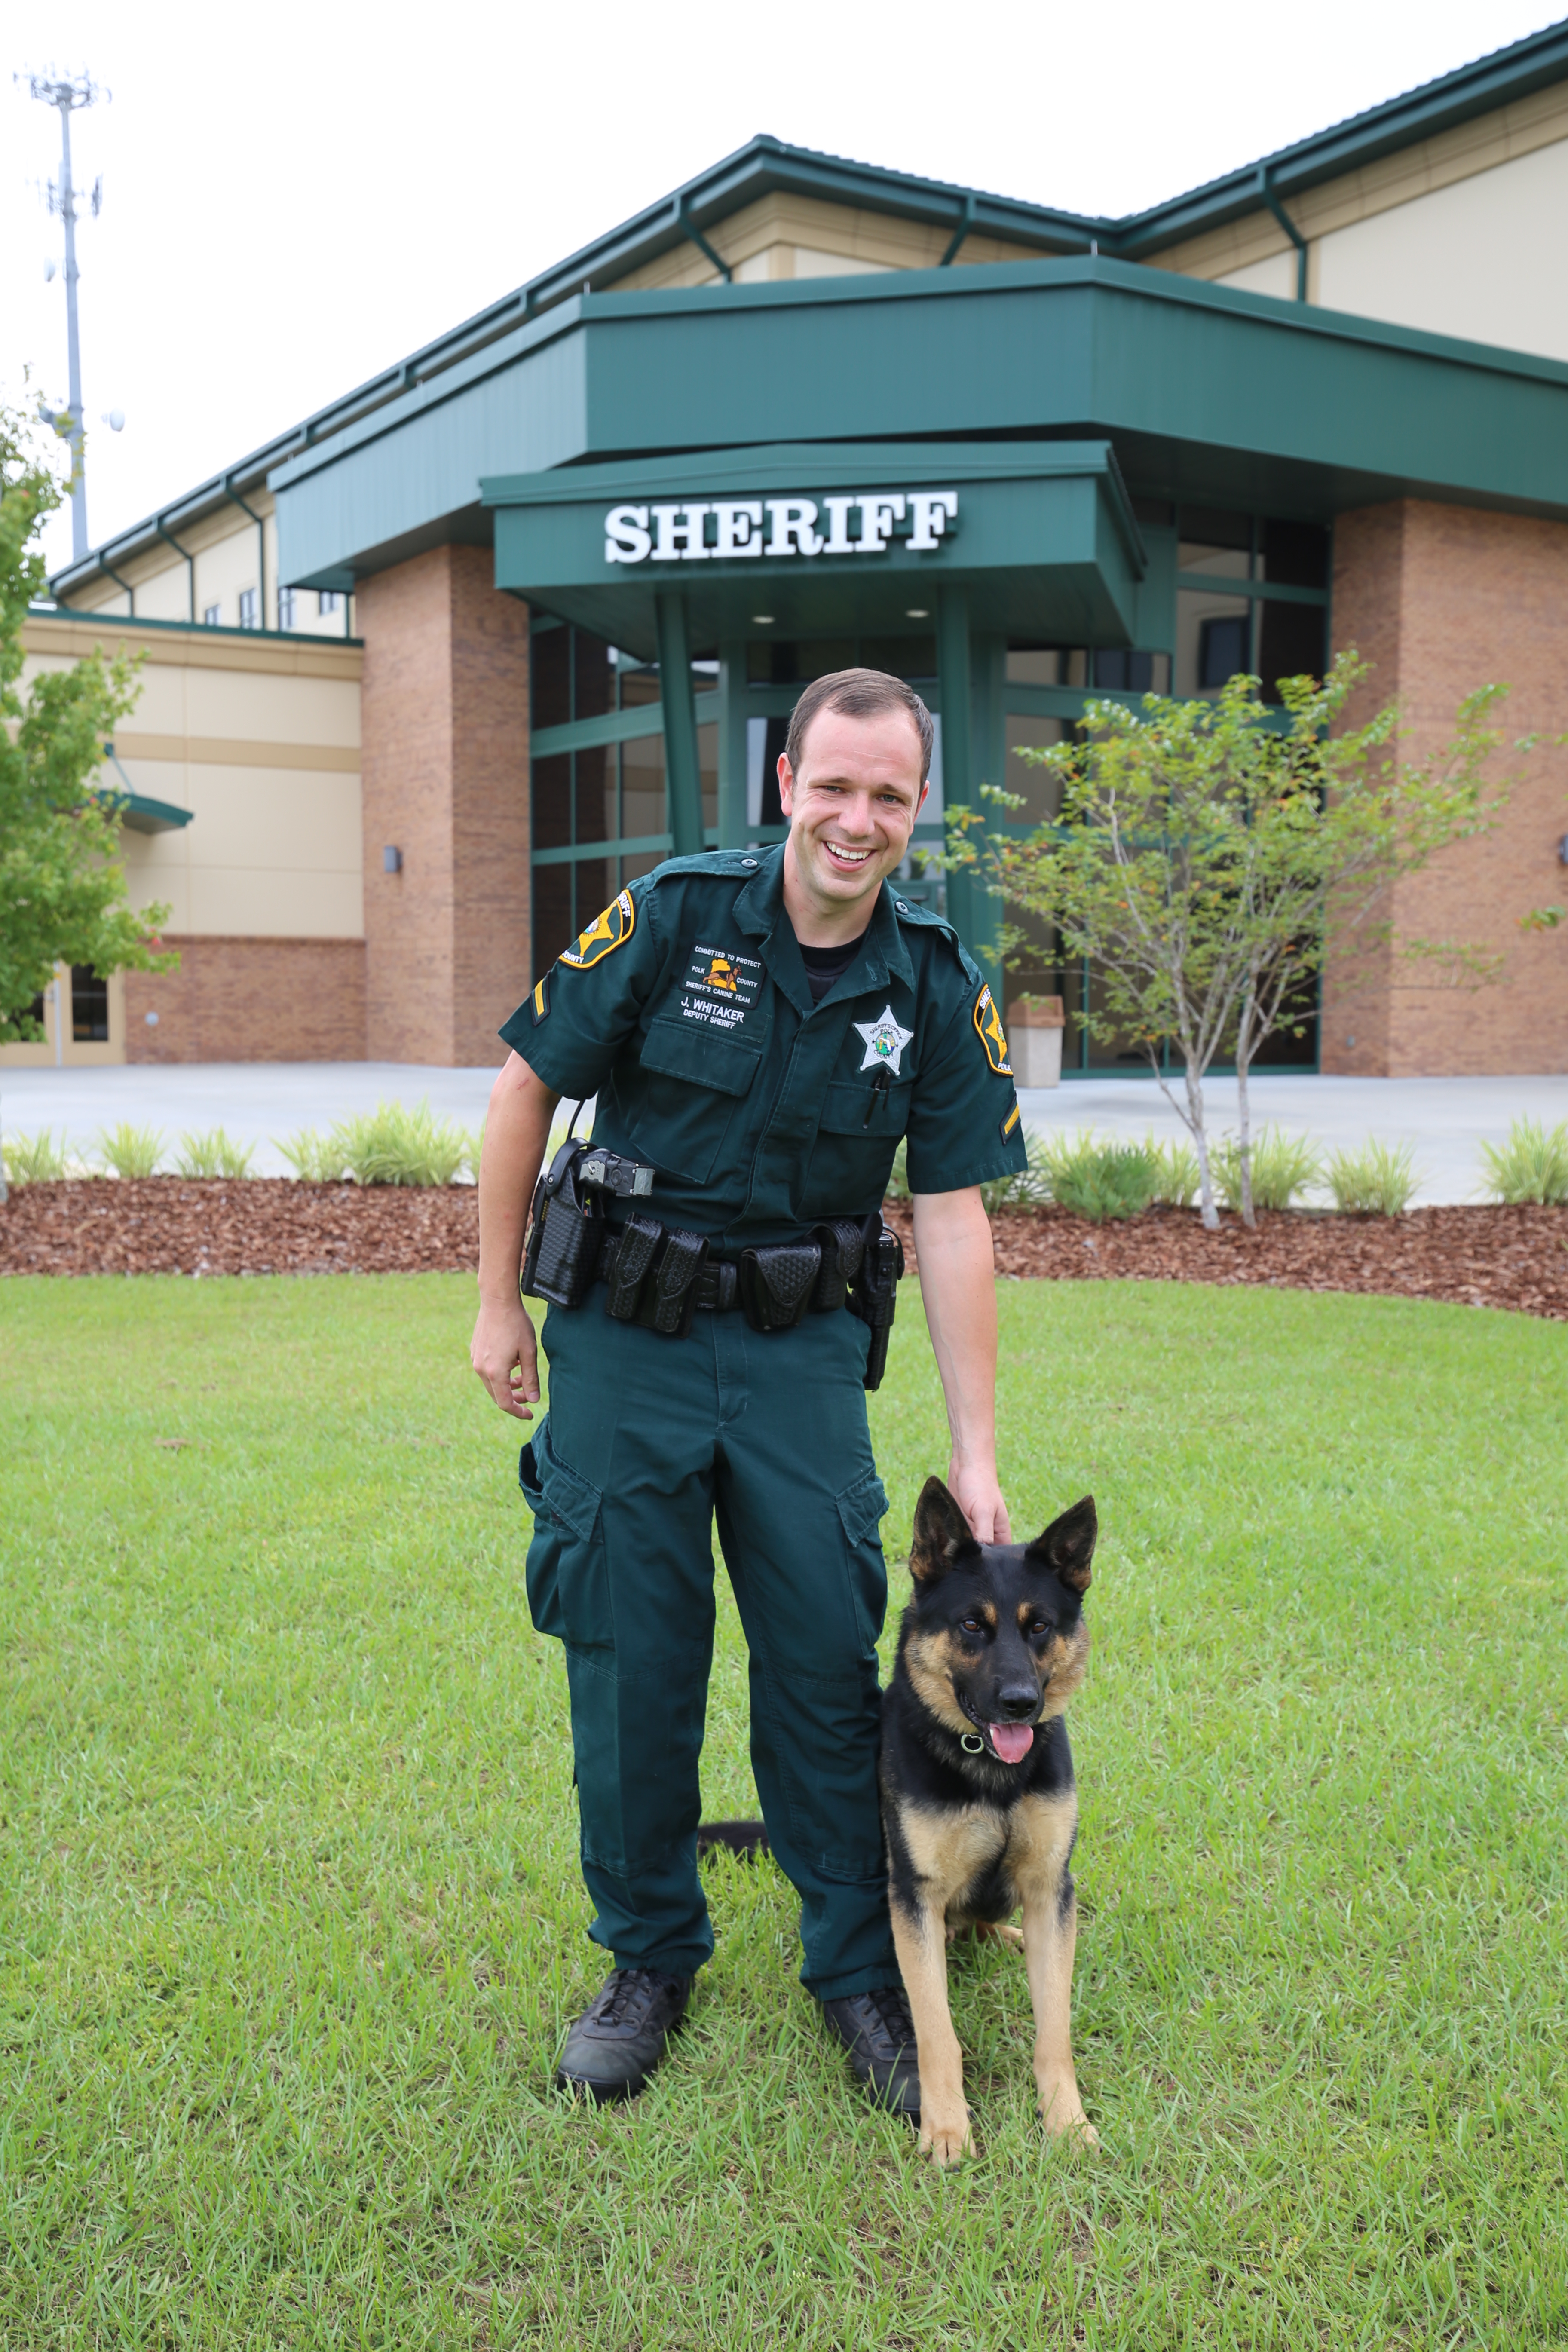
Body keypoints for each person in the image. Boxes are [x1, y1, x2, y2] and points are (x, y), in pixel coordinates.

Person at [470, 666, 1026, 2115]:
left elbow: (953, 1213)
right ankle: (649, 1958)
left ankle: (858, 1968)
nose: (857, 820)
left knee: (828, 1666)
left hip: (798, 1360)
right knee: (630, 1664)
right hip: (627, 1347)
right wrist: (494, 1302)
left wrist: (976, 1454)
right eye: (833, 786)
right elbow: (526, 1087)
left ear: (918, 807)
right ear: (786, 783)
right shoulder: (673, 916)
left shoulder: (936, 982)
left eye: (888, 796)